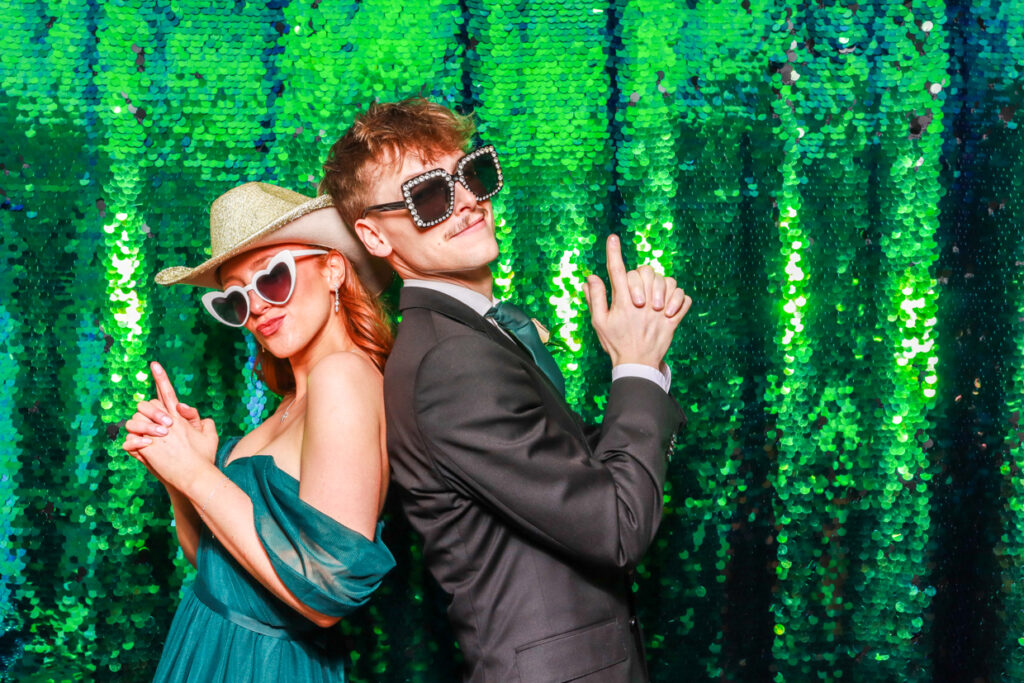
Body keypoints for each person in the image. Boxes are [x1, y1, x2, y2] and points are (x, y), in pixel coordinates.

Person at [320, 98, 692, 682]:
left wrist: (645, 365)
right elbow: (615, 526)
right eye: (429, 197)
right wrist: (636, 368)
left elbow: (575, 471)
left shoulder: (468, 337)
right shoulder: (450, 362)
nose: (468, 202)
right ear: (374, 235)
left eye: (473, 174)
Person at [121, 182, 396, 681]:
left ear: (333, 268)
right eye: (236, 299)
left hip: (266, 665)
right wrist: (180, 474)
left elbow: (327, 591)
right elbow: (213, 564)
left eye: (273, 278)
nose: (258, 307)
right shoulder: (292, 404)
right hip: (204, 644)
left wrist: (195, 473)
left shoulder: (344, 377)